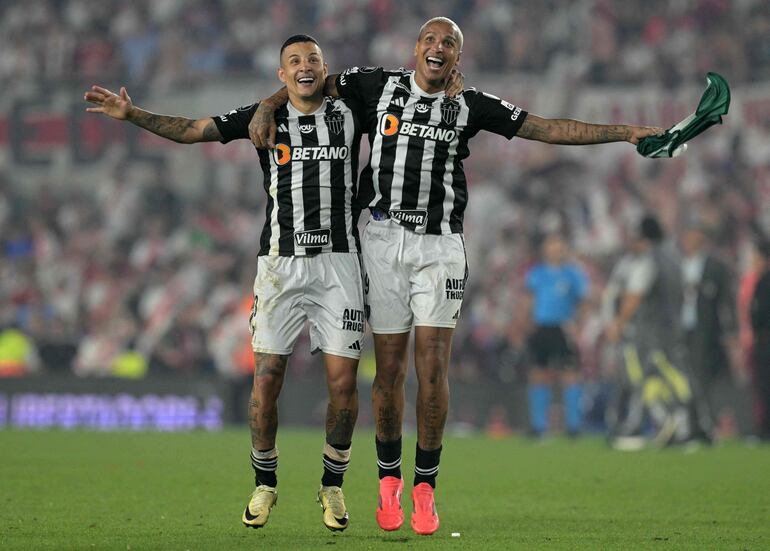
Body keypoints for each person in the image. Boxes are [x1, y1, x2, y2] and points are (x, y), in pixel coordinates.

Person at [250, 17, 663, 535]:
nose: (438, 47)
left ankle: (425, 489)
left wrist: (626, 133)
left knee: (433, 367)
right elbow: (303, 83)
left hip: (440, 246)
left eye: (449, 43)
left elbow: (545, 128)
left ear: (457, 58)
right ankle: (388, 482)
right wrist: (266, 105)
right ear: (415, 48)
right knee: (390, 370)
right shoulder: (375, 84)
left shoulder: (471, 104)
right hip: (380, 241)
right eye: (430, 39)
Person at [84, 34, 366, 532]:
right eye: (294, 61)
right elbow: (194, 129)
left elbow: (410, 90)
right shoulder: (264, 117)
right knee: (266, 380)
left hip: (339, 263)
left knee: (343, 383)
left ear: (325, 67)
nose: (305, 66)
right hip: (280, 264)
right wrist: (135, 115)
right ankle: (265, 484)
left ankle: (332, 484)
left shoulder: (351, 107)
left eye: (313, 59)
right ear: (281, 75)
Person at [603, 215, 695, 449]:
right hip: (672, 329)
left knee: (641, 379)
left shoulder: (648, 260)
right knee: (670, 378)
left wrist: (618, 323)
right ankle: (680, 427)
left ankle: (650, 424)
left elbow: (635, 295)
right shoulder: (674, 259)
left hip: (649, 331)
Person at [519, 233, 588, 437]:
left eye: (559, 244)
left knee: (570, 374)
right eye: (551, 244)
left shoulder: (573, 274)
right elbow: (527, 300)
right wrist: (525, 324)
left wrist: (579, 326)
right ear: (545, 249)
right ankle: (539, 425)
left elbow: (583, 302)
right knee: (538, 374)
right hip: (541, 327)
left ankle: (574, 425)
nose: (555, 248)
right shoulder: (537, 273)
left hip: (563, 327)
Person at [679, 223, 738, 440]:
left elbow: (727, 301)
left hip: (704, 331)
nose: (688, 239)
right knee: (683, 378)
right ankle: (691, 424)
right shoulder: (678, 264)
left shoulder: (715, 266)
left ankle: (706, 425)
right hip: (680, 330)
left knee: (702, 378)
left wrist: (731, 331)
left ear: (701, 238)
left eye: (693, 235)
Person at [749, 240, 770, 441]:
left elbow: (758, 314)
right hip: (762, 340)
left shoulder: (764, 282)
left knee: (765, 386)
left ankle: (765, 430)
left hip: (765, 341)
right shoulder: (760, 280)